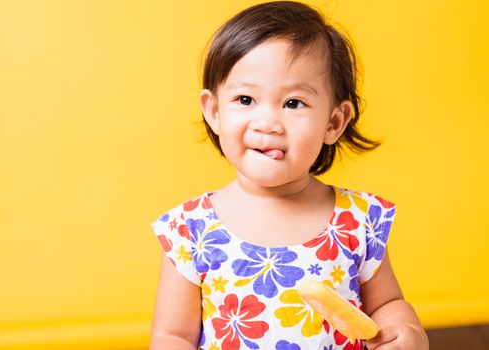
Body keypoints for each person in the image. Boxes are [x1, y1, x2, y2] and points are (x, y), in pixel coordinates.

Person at [149, 1, 428, 349]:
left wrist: (406, 332)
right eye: (246, 99)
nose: (267, 123)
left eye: (293, 103)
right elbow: (172, 335)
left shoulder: (357, 221)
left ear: (334, 122)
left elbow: (387, 305)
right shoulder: (191, 229)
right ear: (214, 110)